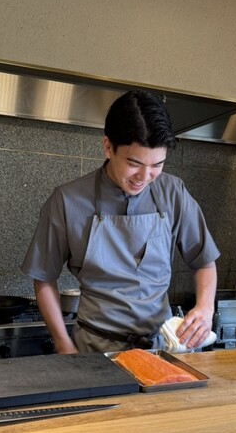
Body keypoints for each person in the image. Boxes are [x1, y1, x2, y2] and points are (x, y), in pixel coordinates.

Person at [21, 89, 220, 354]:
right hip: (94, 348)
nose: (145, 177)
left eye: (157, 165)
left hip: (160, 349)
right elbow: (44, 278)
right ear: (107, 147)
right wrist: (62, 342)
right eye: (134, 163)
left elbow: (204, 261)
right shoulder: (67, 200)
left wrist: (205, 307)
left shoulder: (173, 192)